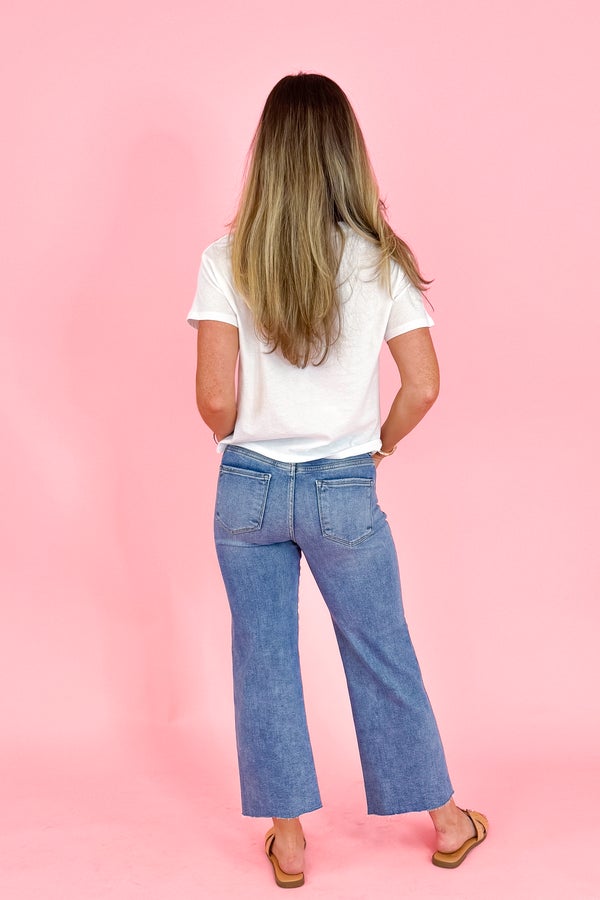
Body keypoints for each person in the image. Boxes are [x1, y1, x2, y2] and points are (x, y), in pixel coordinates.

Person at [187, 72, 487, 889]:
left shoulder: (226, 259)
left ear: (269, 157)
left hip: (246, 486)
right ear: (346, 154)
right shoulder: (382, 261)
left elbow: (214, 397)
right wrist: (375, 446)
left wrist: (250, 438)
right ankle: (448, 819)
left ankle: (288, 838)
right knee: (381, 650)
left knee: (264, 659)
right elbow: (423, 385)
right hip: (343, 487)